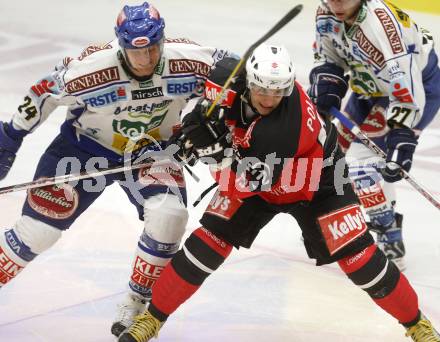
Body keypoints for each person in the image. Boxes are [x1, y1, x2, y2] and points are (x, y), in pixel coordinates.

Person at [117, 44, 440, 342]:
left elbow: (246, 178)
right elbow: (201, 115)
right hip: (257, 175)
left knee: (360, 259)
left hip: (317, 184)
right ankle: (154, 319)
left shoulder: (288, 128)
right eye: (261, 89)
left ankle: (417, 325)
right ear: (248, 81)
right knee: (207, 243)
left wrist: (212, 151)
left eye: (278, 92)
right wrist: (192, 132)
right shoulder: (227, 76)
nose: (269, 99)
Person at [0, 2, 234, 337]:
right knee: (37, 232)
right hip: (83, 150)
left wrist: (216, 116)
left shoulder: (188, 60)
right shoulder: (92, 69)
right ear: (121, 44)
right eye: (136, 52)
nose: (145, 59)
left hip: (151, 152)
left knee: (169, 217)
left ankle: (138, 303)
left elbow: (236, 72)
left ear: (162, 40)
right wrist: (10, 136)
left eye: (153, 49)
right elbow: (44, 92)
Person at [308, 0, 440, 270]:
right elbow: (328, 56)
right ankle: (338, 222)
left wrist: (402, 133)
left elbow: (405, 84)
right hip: (368, 87)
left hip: (412, 91)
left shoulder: (381, 24)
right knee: (333, 153)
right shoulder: (325, 12)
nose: (335, 3)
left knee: (361, 165)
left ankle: (388, 234)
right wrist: (328, 79)